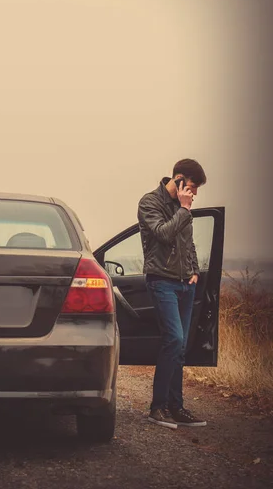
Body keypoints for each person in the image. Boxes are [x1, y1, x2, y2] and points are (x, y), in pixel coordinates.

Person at [137, 159, 208, 429]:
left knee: (180, 347)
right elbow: (163, 234)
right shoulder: (150, 203)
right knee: (173, 339)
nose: (194, 193)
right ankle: (157, 408)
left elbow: (187, 242)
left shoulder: (182, 207)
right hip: (162, 282)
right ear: (178, 180)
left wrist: (195, 271)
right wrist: (184, 208)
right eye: (191, 187)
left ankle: (176, 407)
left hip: (184, 284)